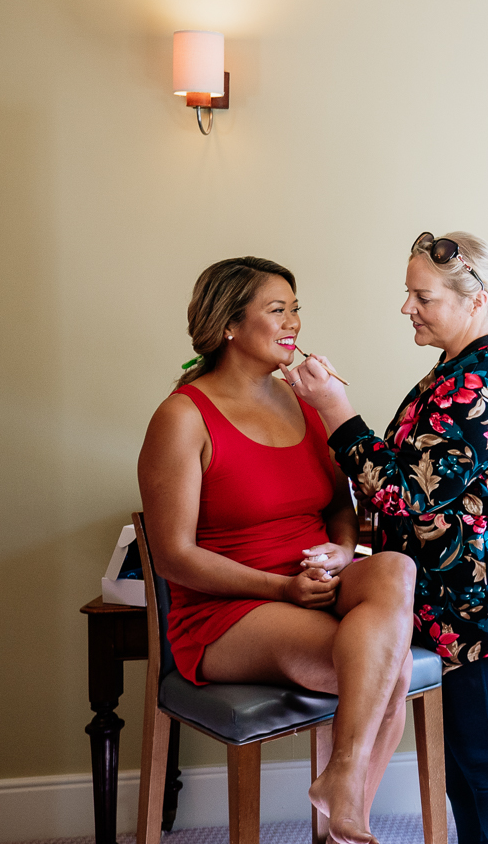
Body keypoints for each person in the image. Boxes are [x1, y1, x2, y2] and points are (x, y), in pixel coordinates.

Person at [288, 231, 488, 844]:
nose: (407, 307)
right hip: (454, 594)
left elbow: (405, 491)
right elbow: (430, 494)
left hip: (481, 602)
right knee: (467, 773)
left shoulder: (487, 379)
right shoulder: (457, 367)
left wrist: (335, 408)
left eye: (422, 296)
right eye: (407, 293)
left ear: (475, 300)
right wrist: (357, 550)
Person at [138, 257, 417, 844]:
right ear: (229, 325)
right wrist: (280, 588)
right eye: (277, 309)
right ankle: (346, 816)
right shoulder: (182, 418)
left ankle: (341, 786)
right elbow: (173, 556)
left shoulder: (304, 401)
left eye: (296, 309)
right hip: (227, 610)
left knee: (394, 568)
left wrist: (342, 552)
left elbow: (340, 509)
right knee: (381, 665)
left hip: (316, 581)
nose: (293, 322)